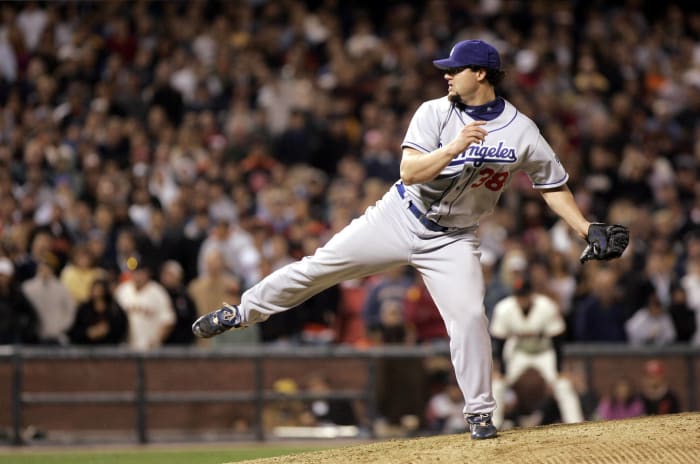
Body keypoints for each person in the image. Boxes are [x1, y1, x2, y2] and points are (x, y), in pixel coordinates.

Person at [192, 39, 628, 439]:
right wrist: (454, 148)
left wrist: (585, 227)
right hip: (401, 215)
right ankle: (241, 311)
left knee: (471, 318)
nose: (446, 75)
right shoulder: (434, 112)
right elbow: (409, 172)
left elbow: (551, 184)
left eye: (454, 69)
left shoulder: (521, 130)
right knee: (318, 268)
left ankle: (479, 414)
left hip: (454, 238)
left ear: (480, 74)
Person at [489, 275, 583, 429]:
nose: (522, 299)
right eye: (519, 295)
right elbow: (500, 340)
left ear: (531, 294)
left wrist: (559, 369)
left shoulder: (546, 306)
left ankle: (577, 423)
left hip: (544, 351)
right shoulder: (504, 308)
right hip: (518, 351)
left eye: (524, 295)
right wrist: (502, 370)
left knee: (562, 384)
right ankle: (493, 424)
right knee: (498, 384)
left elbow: (557, 338)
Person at [67, 278, 128, 345]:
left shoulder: (114, 309)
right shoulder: (83, 309)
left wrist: (107, 330)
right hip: (87, 348)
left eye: (100, 290)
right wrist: (89, 332)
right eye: (95, 290)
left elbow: (121, 329)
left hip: (109, 348)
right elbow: (74, 331)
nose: (98, 293)